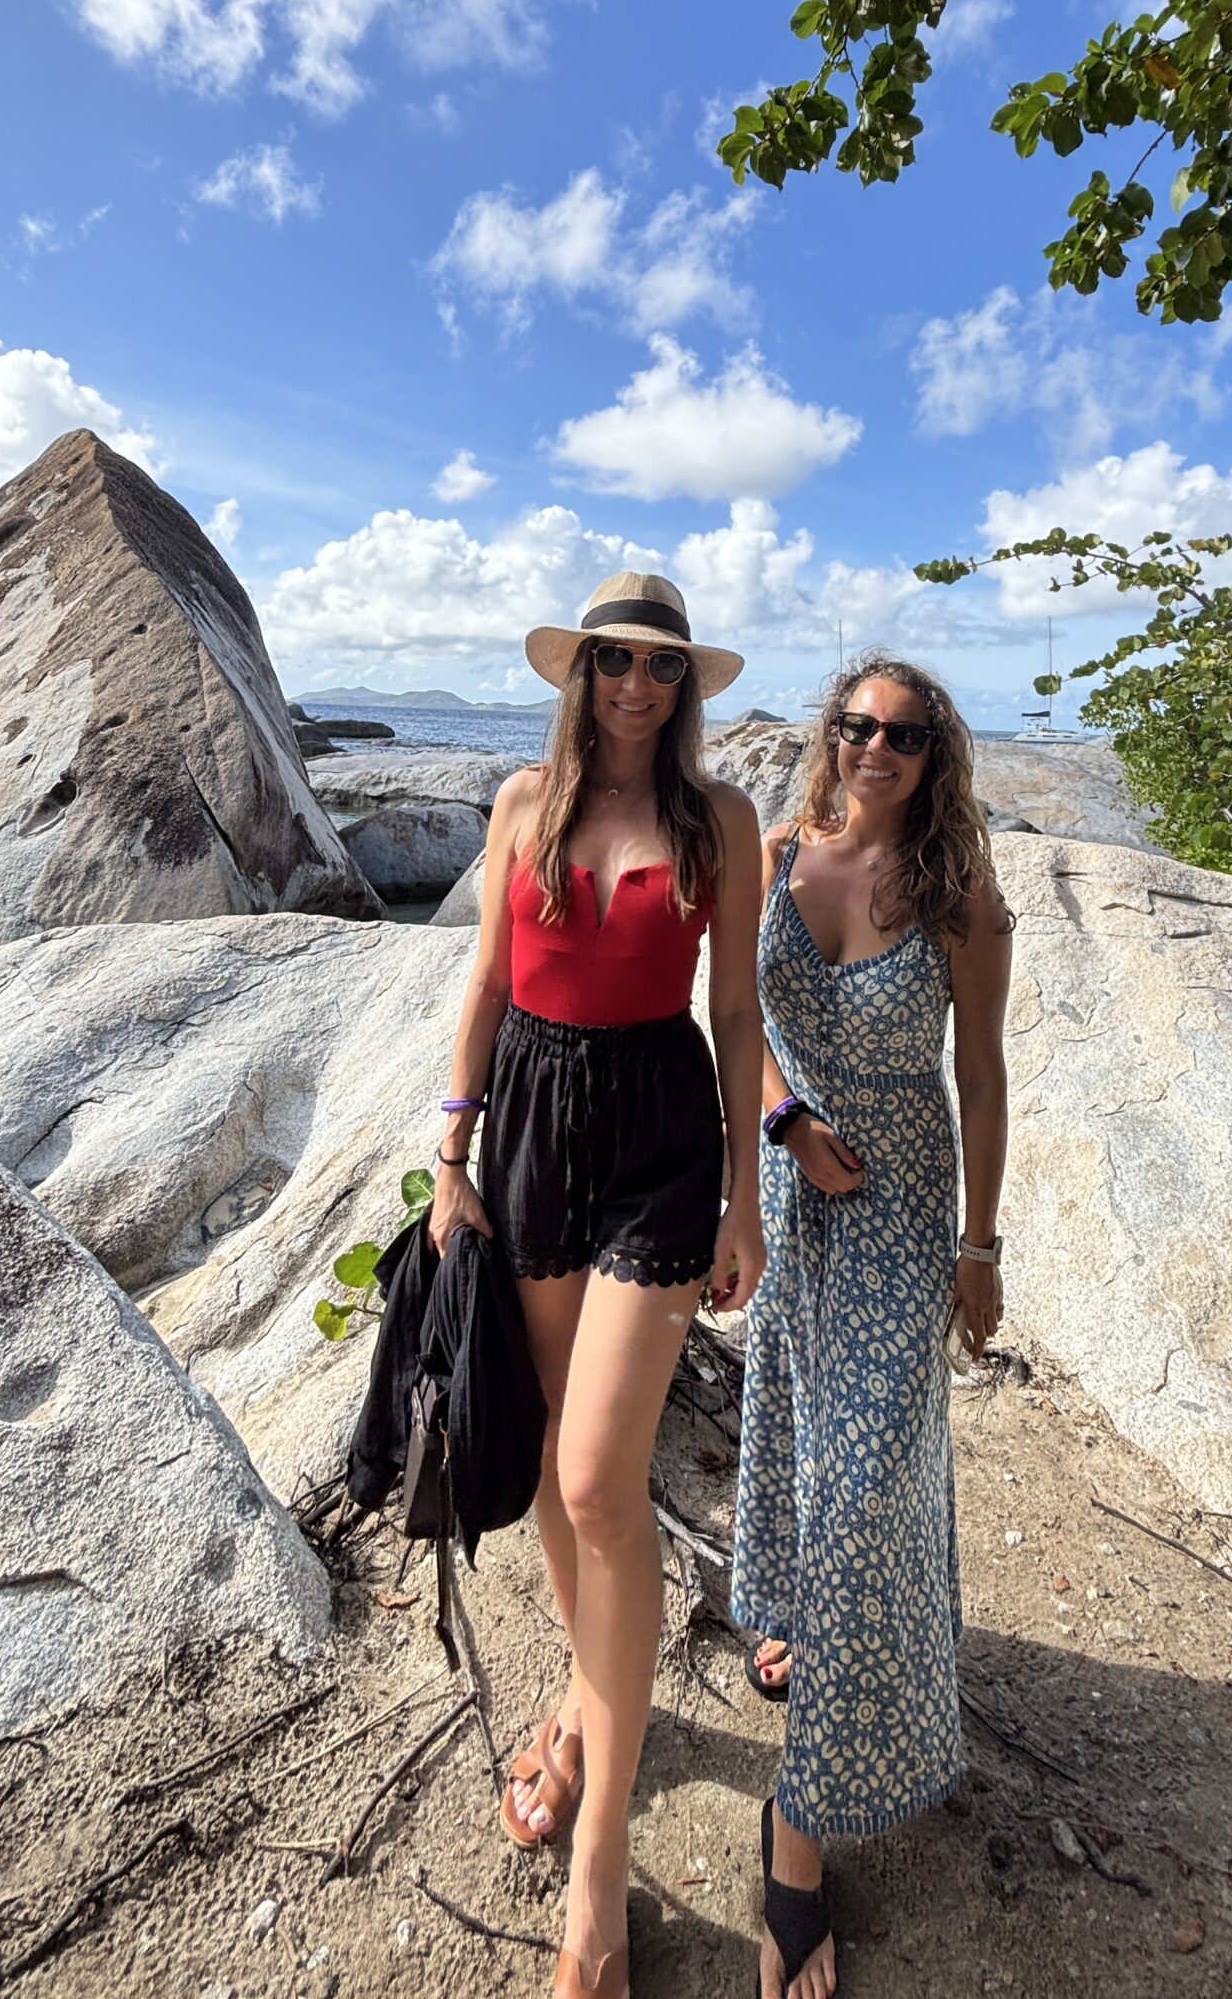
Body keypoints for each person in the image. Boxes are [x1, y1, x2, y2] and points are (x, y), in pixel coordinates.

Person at [430, 571, 766, 1999]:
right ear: (583, 674)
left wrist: (748, 1189)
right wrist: (452, 1145)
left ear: (687, 689)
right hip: (531, 1128)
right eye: (616, 661)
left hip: (656, 1131)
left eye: (663, 669)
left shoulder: (721, 821)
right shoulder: (525, 805)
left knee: (594, 1486)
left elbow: (735, 1006)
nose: (638, 685)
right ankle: (584, 1702)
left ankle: (597, 1878)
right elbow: (492, 983)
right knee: (567, 1457)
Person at [731, 654, 1014, 1999]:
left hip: (906, 1213)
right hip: (798, 1195)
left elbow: (984, 1073)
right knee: (801, 1421)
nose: (875, 749)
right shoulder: (780, 852)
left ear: (935, 753)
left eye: (903, 734)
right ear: (829, 734)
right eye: (856, 726)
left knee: (859, 1485)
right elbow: (740, 1022)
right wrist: (784, 1116)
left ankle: (794, 1843)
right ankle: (799, 1614)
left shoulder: (962, 893)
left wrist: (981, 1245)